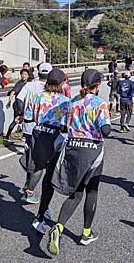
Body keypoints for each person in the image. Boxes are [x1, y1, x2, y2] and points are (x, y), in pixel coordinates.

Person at [48, 69, 111, 255]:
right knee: (92, 191)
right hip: (92, 152)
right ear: (97, 86)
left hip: (73, 148)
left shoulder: (73, 102)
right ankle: (86, 233)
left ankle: (58, 227)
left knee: (75, 193)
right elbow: (106, 130)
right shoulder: (100, 104)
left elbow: (62, 126)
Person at [24, 69, 71, 234]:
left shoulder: (37, 97)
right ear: (61, 84)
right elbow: (66, 125)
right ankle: (42, 213)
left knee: (38, 166)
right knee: (50, 176)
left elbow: (28, 116)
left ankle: (31, 191)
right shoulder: (65, 101)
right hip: (55, 137)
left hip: (38, 134)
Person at [16, 62, 52, 204]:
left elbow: (19, 99)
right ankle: (30, 188)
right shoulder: (50, 88)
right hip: (43, 129)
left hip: (28, 127)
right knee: (39, 160)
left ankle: (28, 182)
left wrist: (20, 114)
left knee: (31, 155)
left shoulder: (30, 85)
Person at [4, 69, 30, 142]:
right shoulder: (19, 84)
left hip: (25, 105)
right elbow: (13, 92)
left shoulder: (29, 84)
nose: (23, 76)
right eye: (22, 74)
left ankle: (24, 136)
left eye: (25, 74)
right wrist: (9, 101)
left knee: (25, 121)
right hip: (18, 105)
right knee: (16, 121)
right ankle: (7, 136)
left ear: (28, 76)